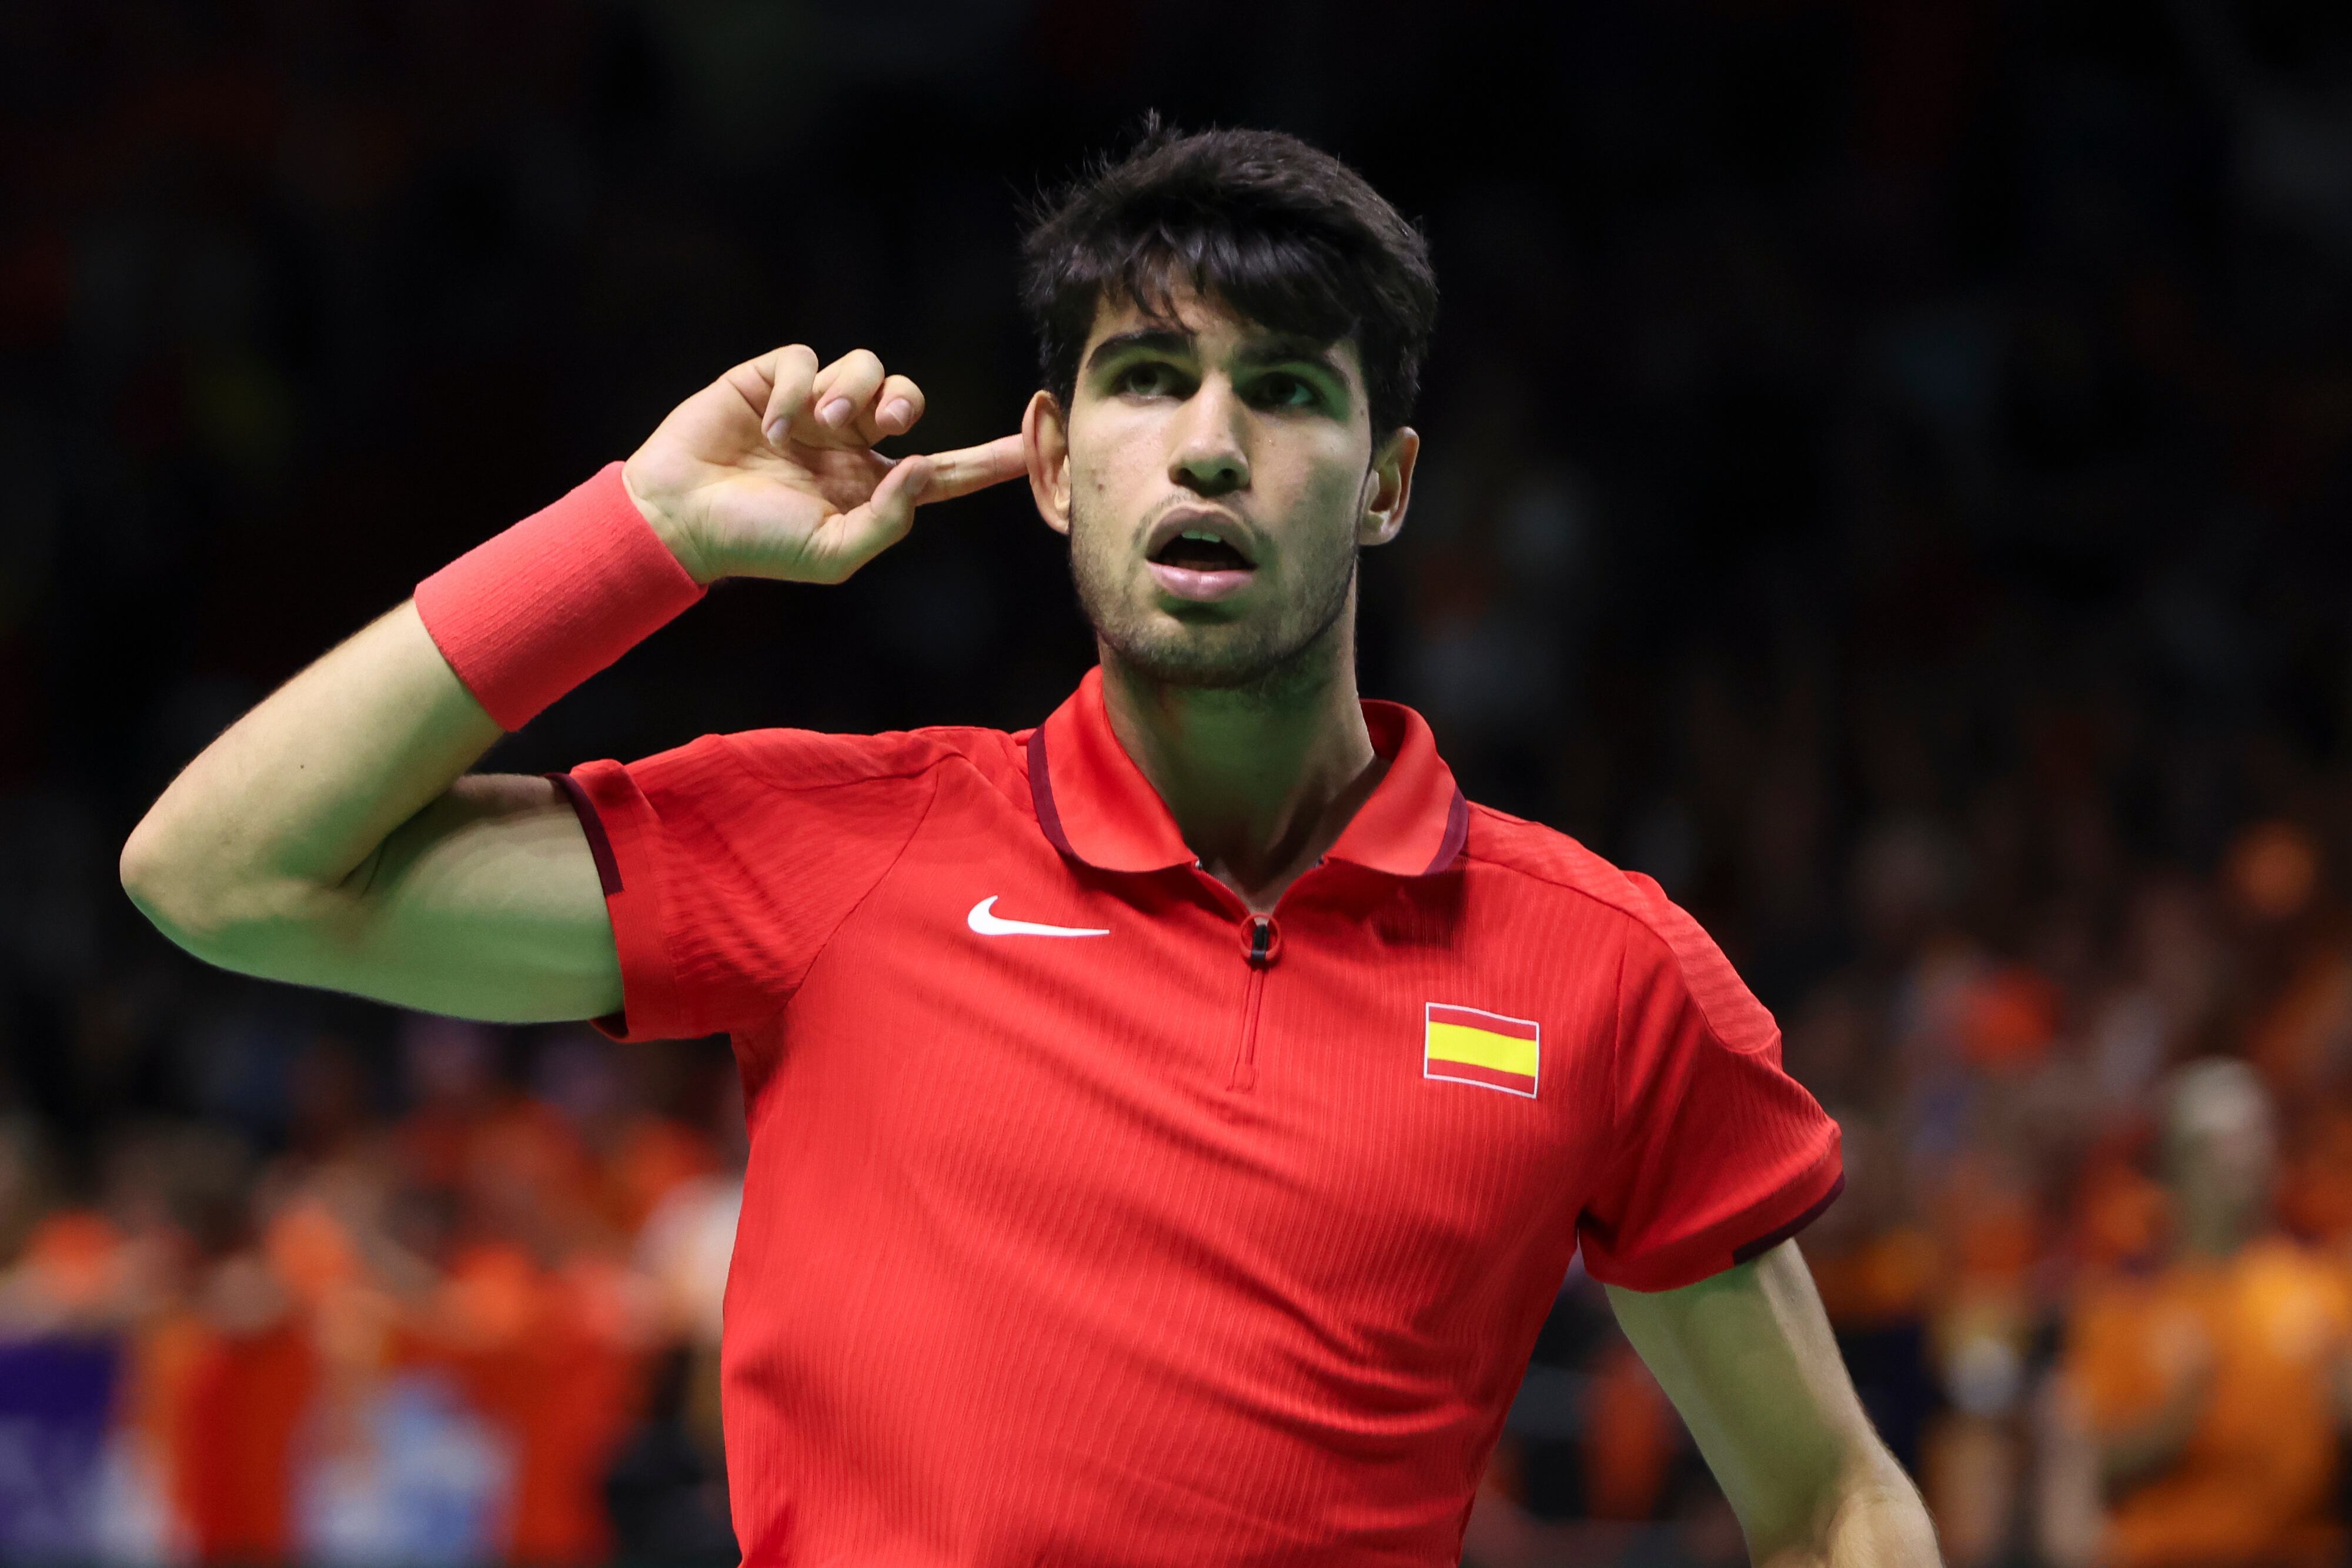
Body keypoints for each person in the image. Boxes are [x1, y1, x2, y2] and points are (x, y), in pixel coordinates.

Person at [120, 123, 1936, 1566]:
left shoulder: (1596, 968)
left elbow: (1833, 1502)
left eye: (1289, 391)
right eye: (1149, 381)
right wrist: (644, 532)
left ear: (1386, 482)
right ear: (1055, 462)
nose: (1209, 447)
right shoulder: (837, 853)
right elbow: (224, 875)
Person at [2047, 1058, 2352, 1568]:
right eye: (2216, 1141)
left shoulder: (2328, 1288)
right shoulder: (2123, 1307)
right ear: (2174, 1169)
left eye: (2256, 1134)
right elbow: (2087, 1470)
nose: (2241, 1156)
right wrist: (2171, 1424)